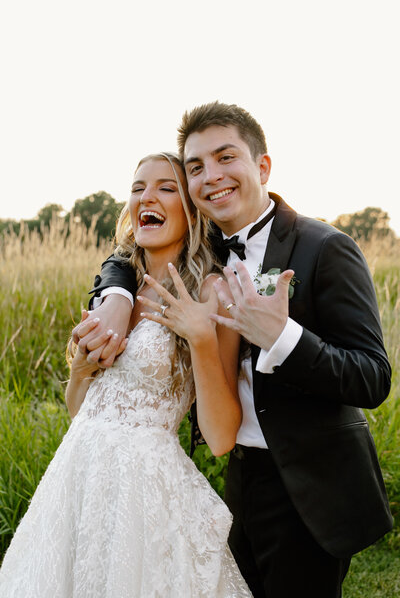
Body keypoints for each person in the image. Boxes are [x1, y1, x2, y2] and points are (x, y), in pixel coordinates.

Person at [78, 102, 393, 598]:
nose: (212, 177)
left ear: (262, 166)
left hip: (309, 486)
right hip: (238, 480)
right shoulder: (204, 252)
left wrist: (283, 338)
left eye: (226, 157)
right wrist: (115, 293)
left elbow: (372, 377)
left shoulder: (325, 247)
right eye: (197, 167)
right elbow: (128, 254)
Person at [0, 152, 252, 597]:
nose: (146, 197)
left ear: (194, 210)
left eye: (165, 188)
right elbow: (86, 411)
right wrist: (79, 372)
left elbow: (220, 438)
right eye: (138, 188)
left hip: (143, 494)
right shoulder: (115, 288)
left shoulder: (211, 291)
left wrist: (202, 340)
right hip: (77, 478)